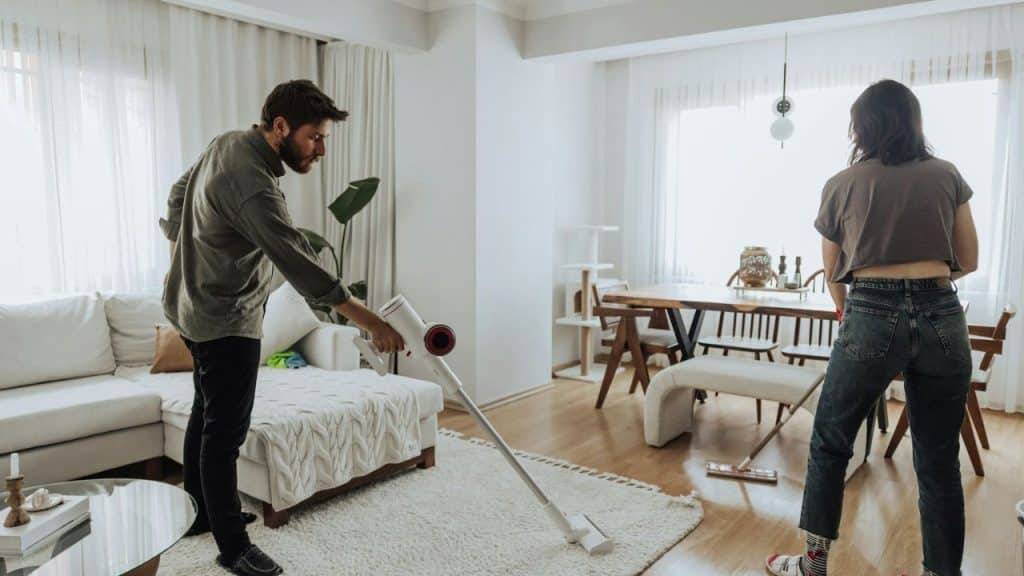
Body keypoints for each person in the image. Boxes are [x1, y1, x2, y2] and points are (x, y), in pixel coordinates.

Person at [160, 79, 405, 576]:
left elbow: (178, 192)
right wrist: (371, 321)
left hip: (188, 307)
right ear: (279, 128)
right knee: (224, 434)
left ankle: (201, 514)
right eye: (314, 137)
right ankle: (233, 547)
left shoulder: (227, 140)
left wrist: (179, 244)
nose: (320, 149)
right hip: (224, 320)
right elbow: (299, 263)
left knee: (207, 411)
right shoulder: (253, 184)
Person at [766, 79, 979, 576]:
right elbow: (967, 258)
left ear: (860, 127)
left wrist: (859, 314)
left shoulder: (842, 184)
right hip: (943, 316)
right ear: (914, 121)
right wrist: (922, 283)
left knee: (830, 443)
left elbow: (834, 273)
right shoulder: (947, 175)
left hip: (869, 312)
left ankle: (813, 567)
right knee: (938, 460)